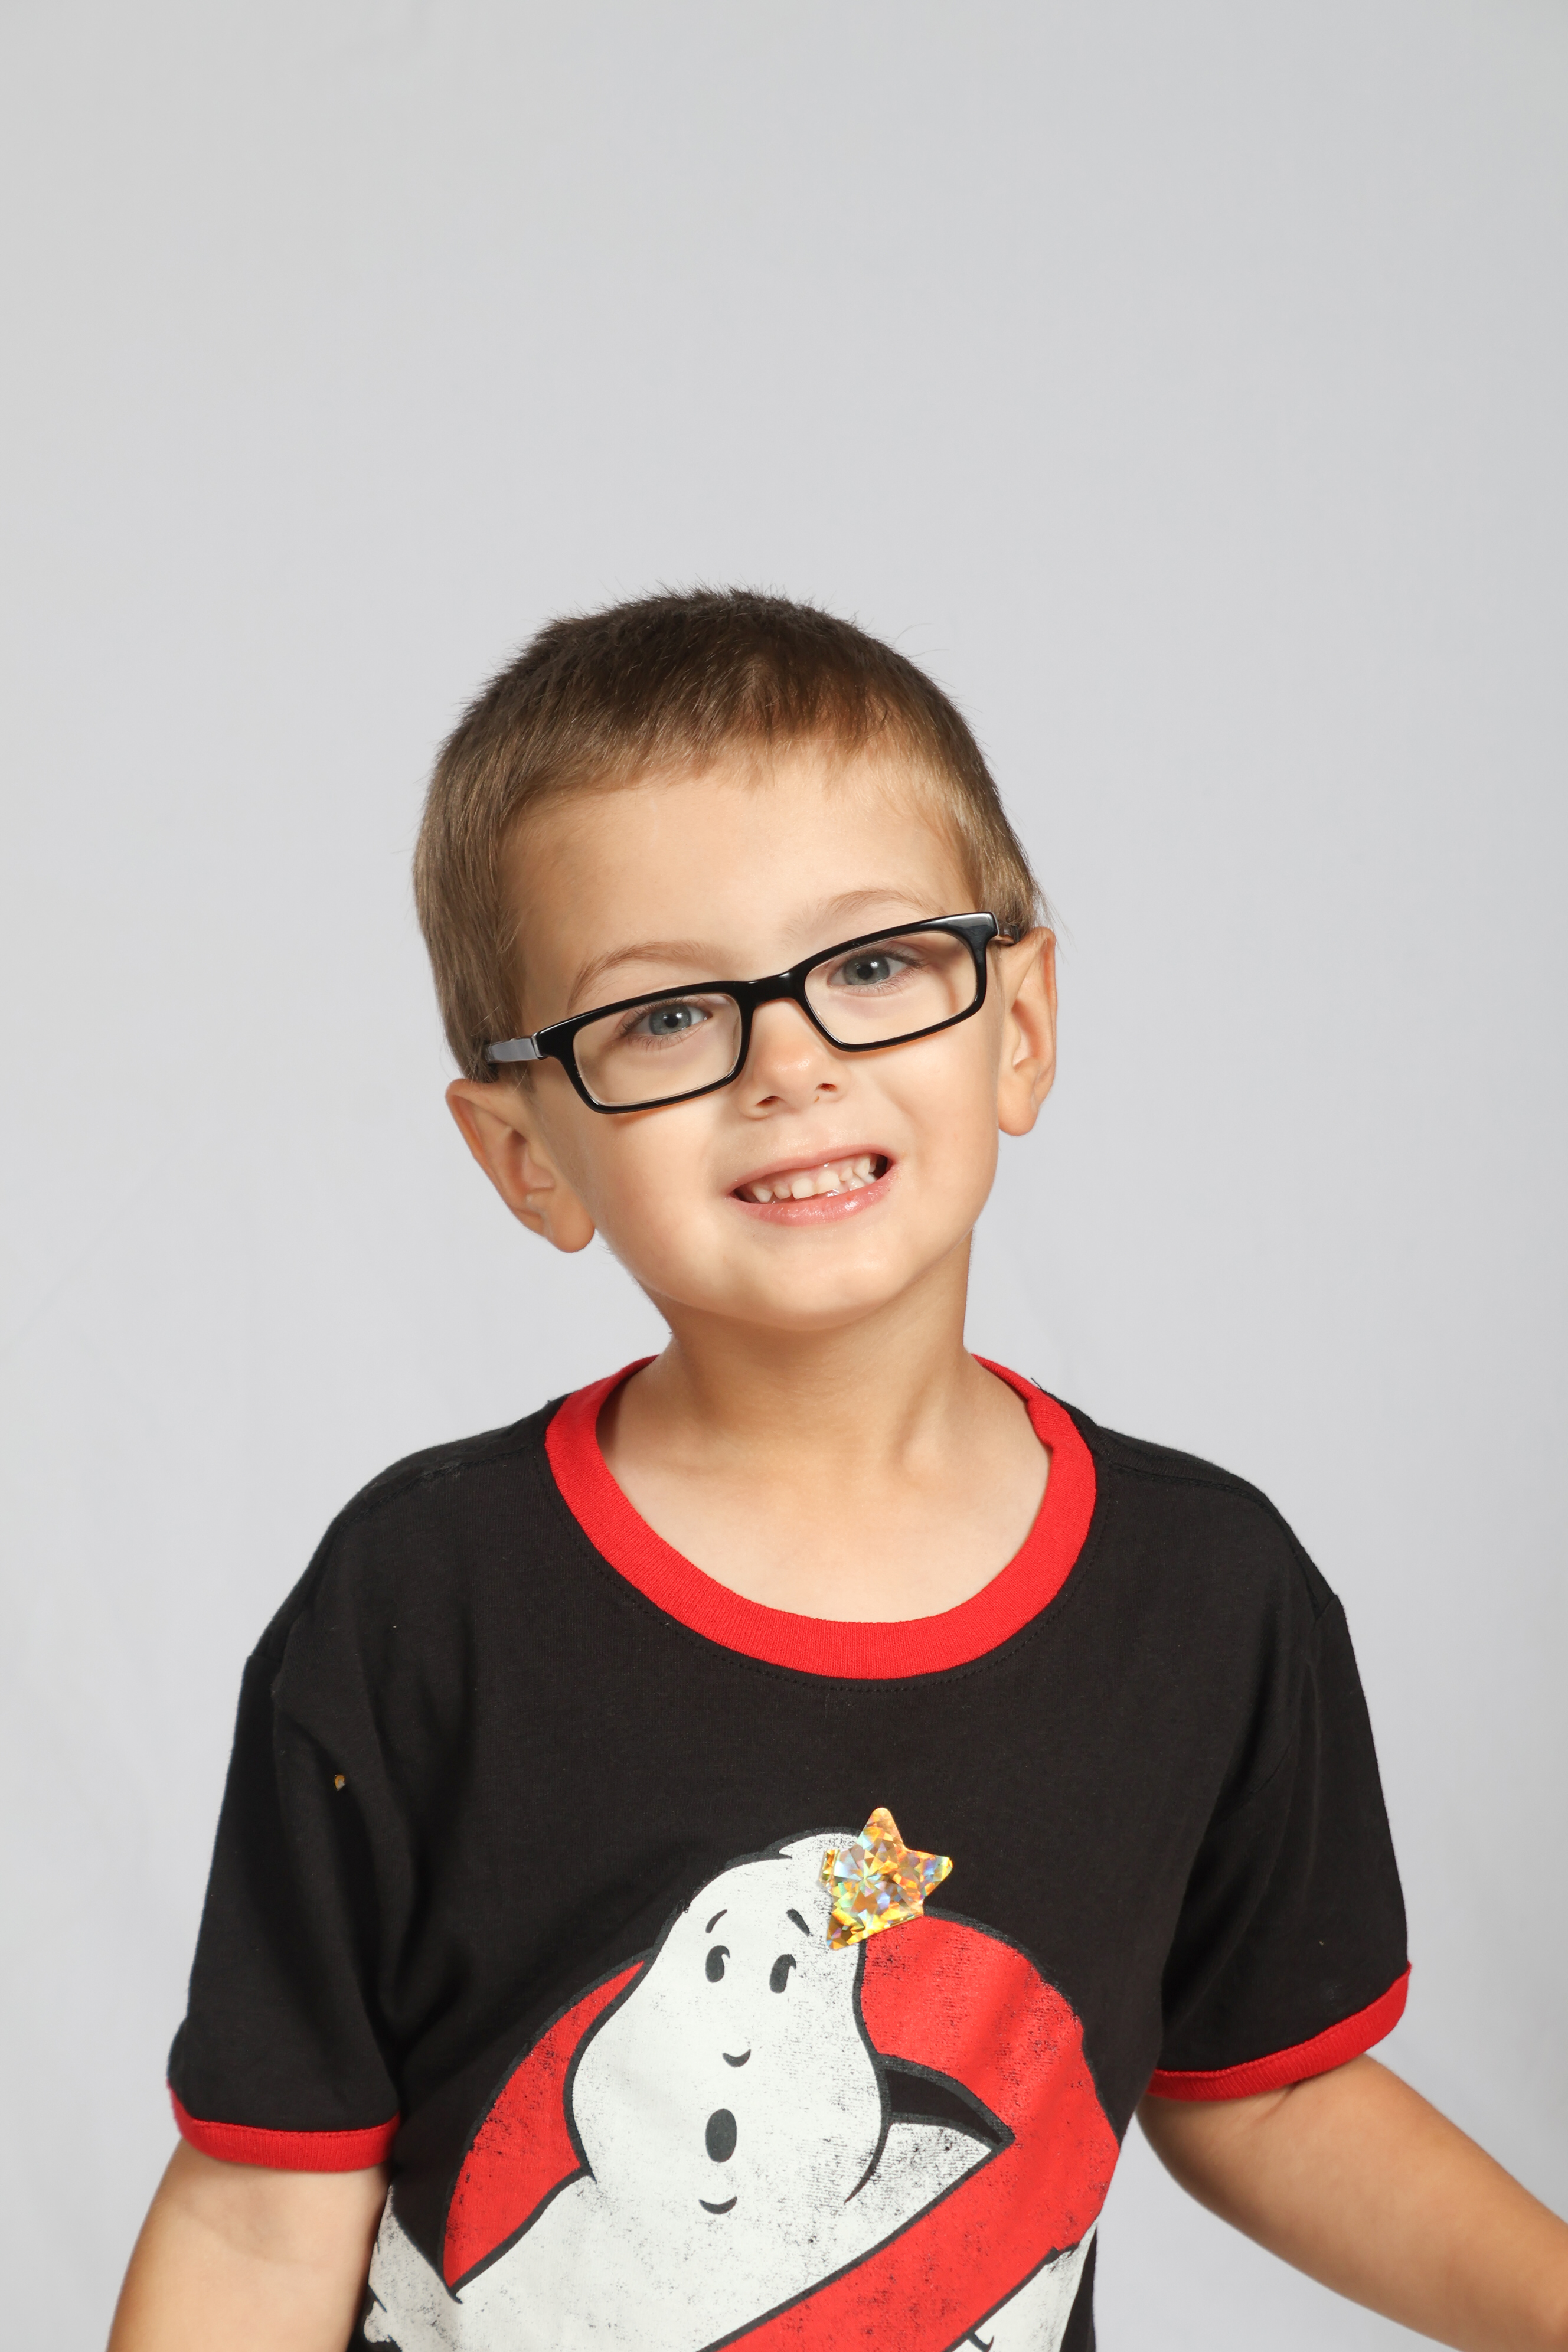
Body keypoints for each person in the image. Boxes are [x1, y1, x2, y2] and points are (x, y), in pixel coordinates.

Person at [109, 591, 1568, 2352]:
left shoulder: (1208, 1598)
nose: (791, 1065)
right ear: (525, 1155)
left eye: (873, 966)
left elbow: (1269, 2093)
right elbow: (263, 2211)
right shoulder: (423, 1605)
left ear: (1018, 1024)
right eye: (665, 1016)